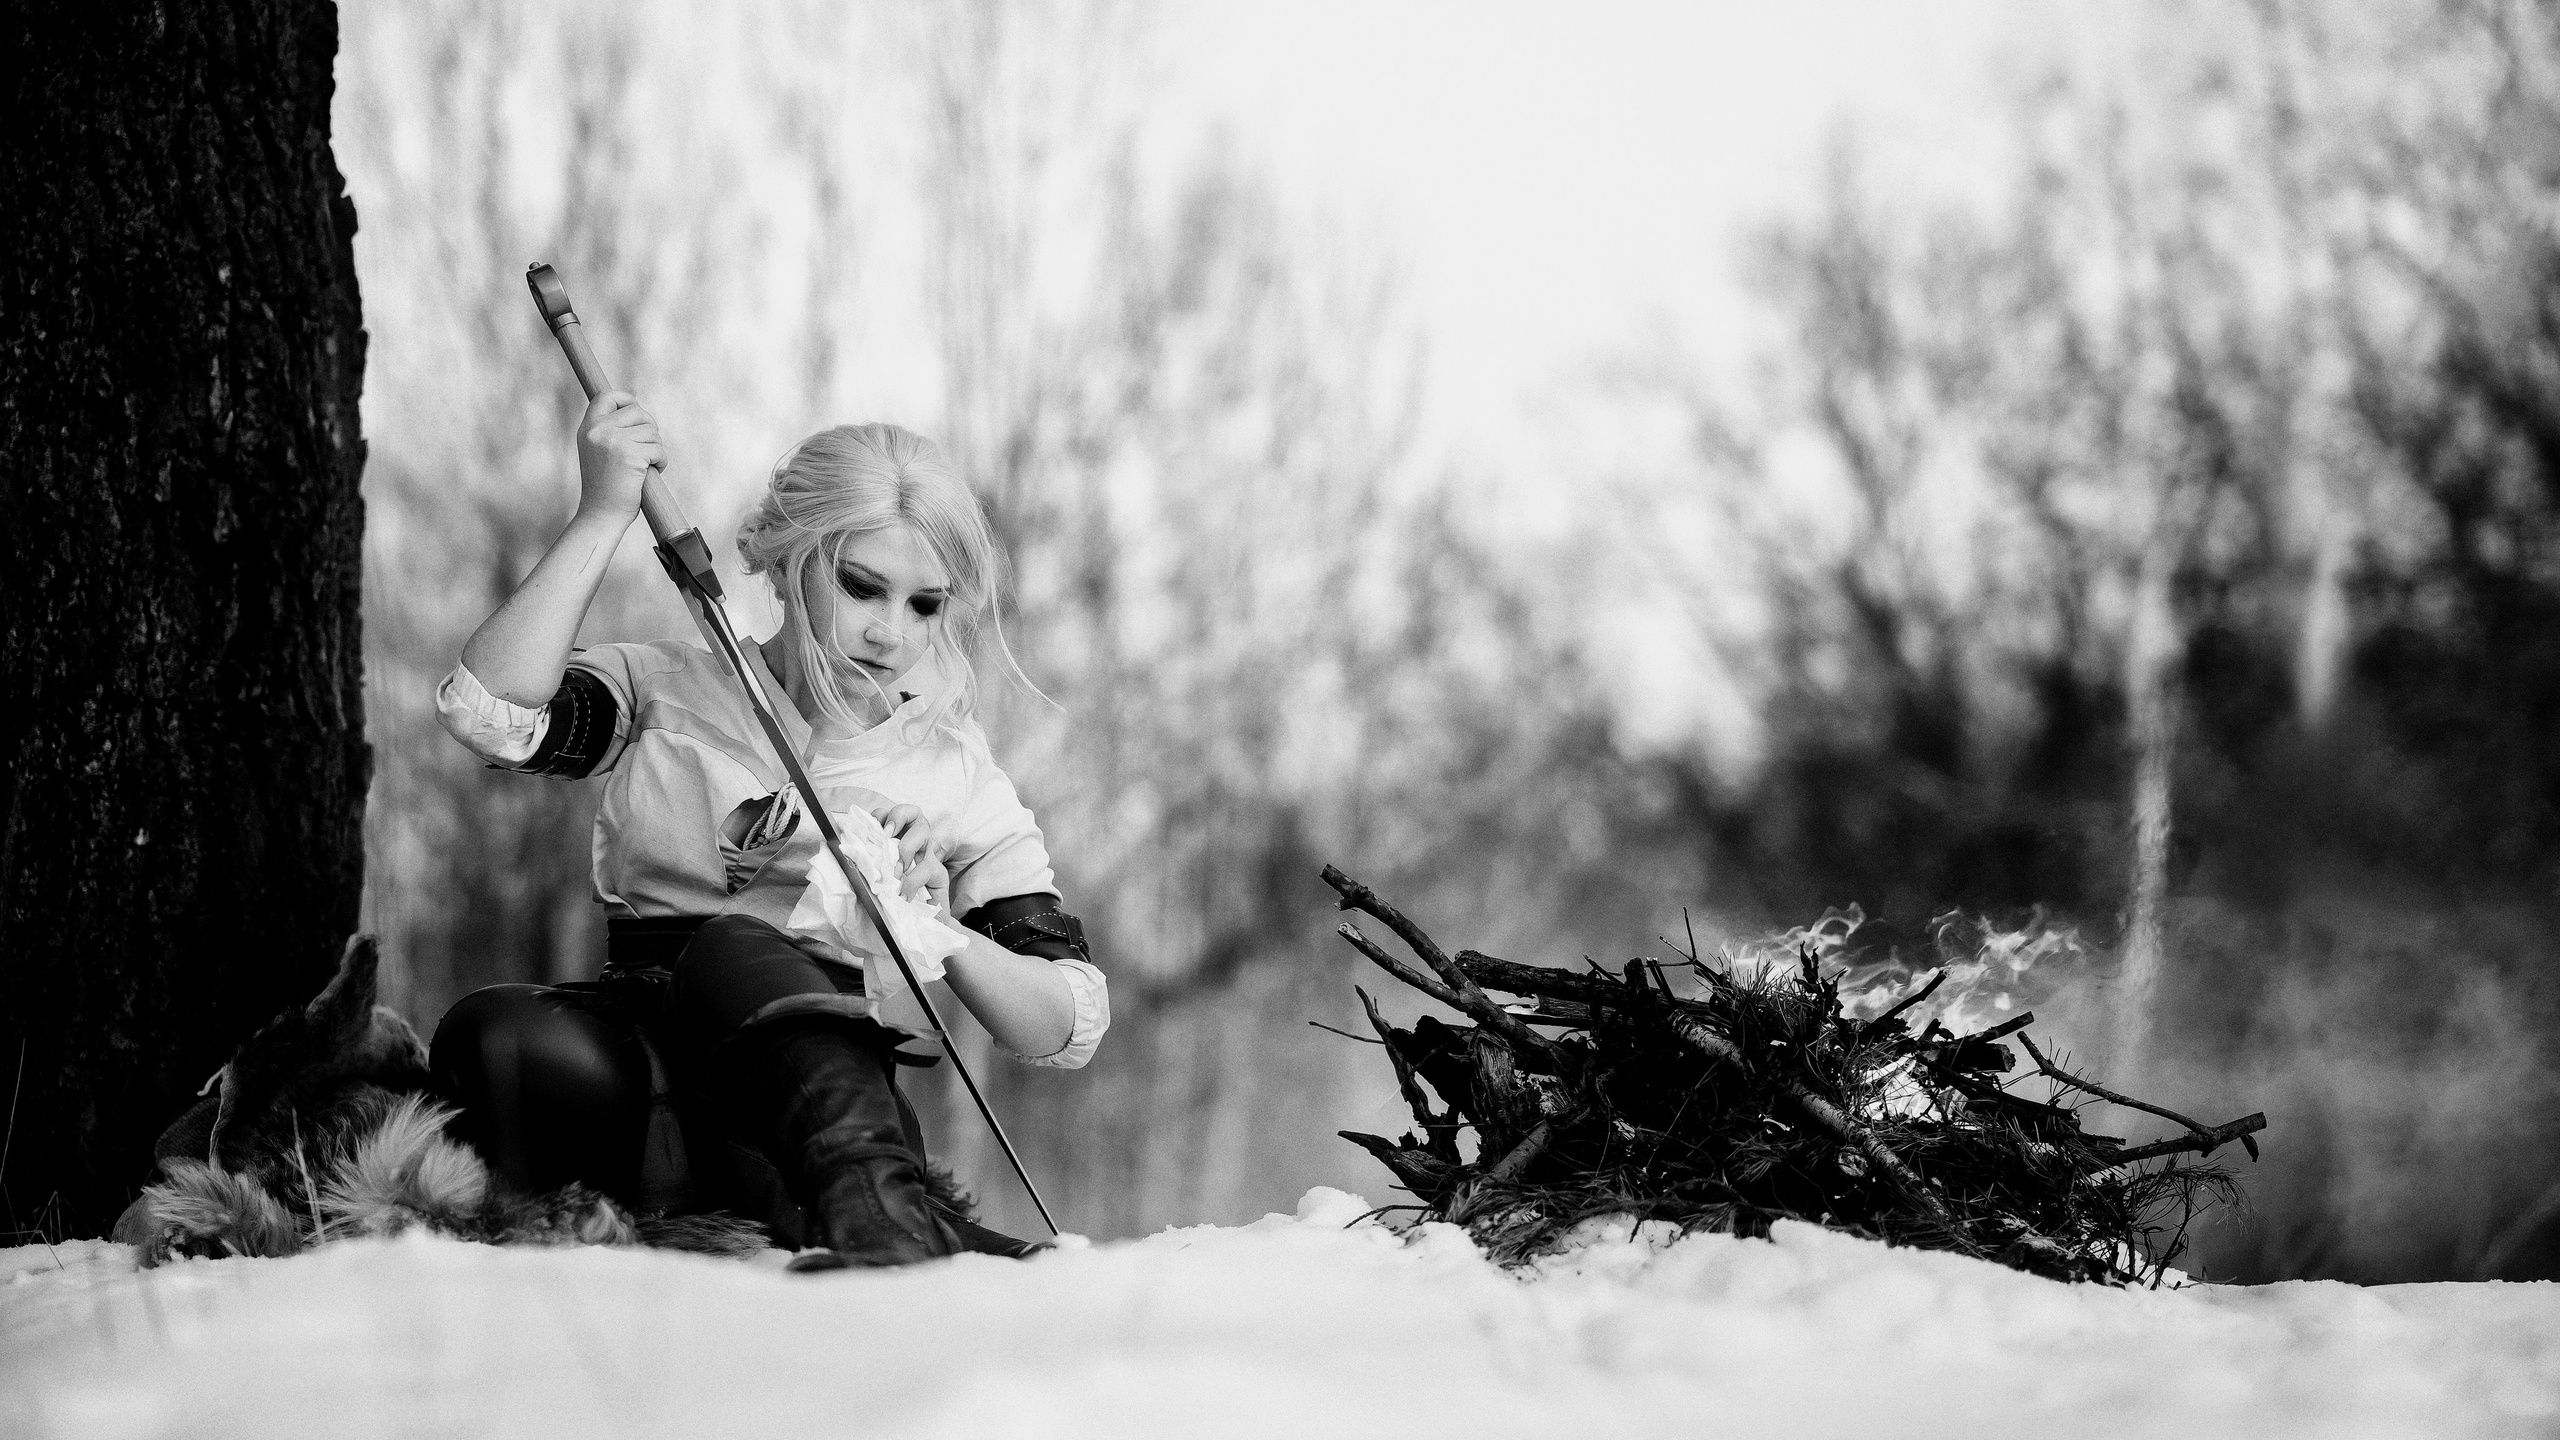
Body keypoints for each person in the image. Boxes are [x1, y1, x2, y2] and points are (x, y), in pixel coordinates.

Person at [426, 392, 1108, 1269]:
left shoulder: (955, 774)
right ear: (787, 562)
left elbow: (1065, 1023)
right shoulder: (665, 685)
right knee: (493, 1035)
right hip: (642, 1065)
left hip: (804, 1102)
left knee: (735, 949)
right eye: (861, 586)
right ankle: (868, 1225)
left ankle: (873, 1212)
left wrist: (930, 929)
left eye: (925, 606)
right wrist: (602, 512)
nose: (887, 633)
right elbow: (488, 713)